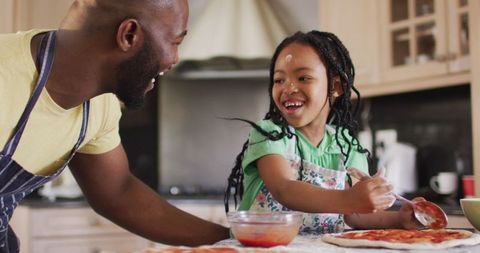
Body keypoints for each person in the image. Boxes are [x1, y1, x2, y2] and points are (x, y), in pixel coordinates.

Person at [0, 0, 229, 252]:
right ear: (129, 35)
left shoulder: (100, 106)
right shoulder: (6, 78)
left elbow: (118, 193)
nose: (174, 59)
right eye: (175, 42)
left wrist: (234, 240)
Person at [224, 31, 424, 234]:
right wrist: (350, 198)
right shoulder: (270, 134)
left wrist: (399, 218)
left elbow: (357, 213)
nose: (289, 88)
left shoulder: (346, 145)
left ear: (335, 86)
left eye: (303, 77)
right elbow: (284, 189)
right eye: (279, 80)